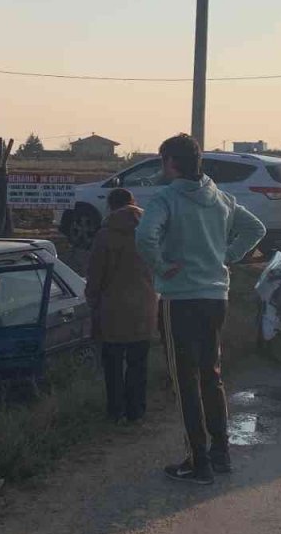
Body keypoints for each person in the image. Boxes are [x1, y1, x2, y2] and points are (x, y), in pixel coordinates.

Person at [136, 134, 266, 485]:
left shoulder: (165, 198)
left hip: (180, 299)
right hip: (215, 297)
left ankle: (198, 462)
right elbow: (256, 228)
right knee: (212, 374)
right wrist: (227, 256)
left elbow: (144, 237)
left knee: (186, 380)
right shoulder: (220, 197)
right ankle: (220, 454)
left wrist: (162, 268)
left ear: (170, 163)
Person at [86, 189, 158, 424]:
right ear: (134, 204)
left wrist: (92, 301)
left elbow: (95, 275)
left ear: (110, 207)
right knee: (138, 363)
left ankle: (115, 412)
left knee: (113, 365)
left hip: (112, 309)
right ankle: (136, 411)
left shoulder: (104, 236)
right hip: (145, 306)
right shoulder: (150, 232)